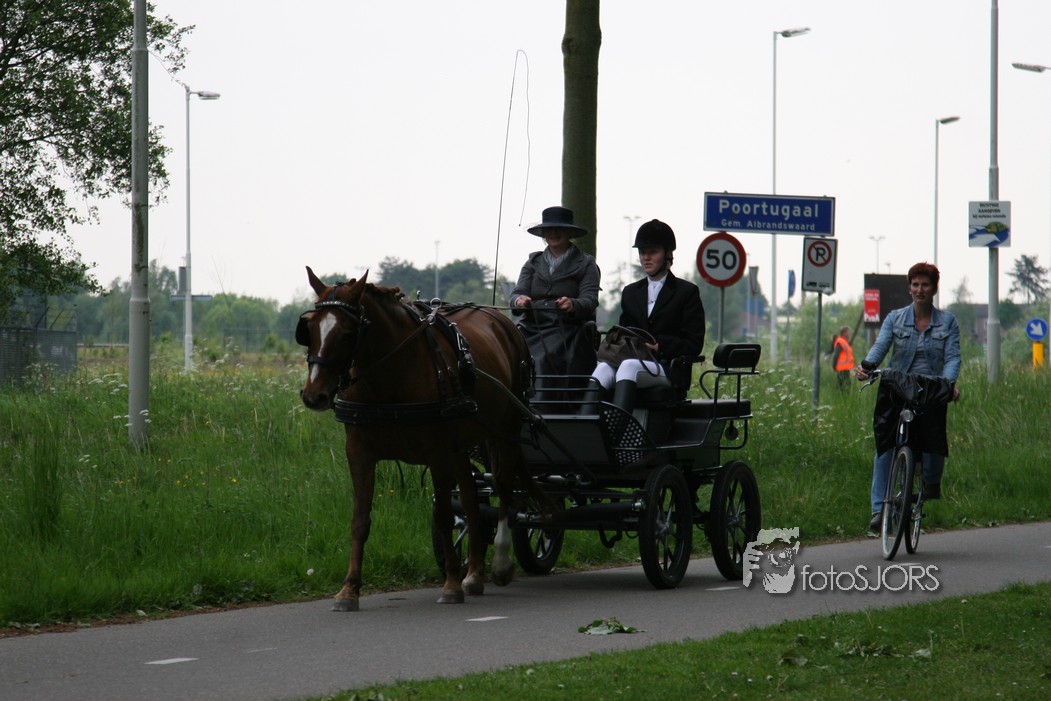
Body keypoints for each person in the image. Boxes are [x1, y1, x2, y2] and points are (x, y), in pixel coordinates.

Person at [854, 262, 961, 532]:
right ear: (909, 288)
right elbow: (881, 346)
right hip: (898, 385)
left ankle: (931, 481)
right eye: (915, 284)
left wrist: (948, 385)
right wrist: (867, 366)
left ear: (934, 289)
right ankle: (879, 510)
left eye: (925, 285)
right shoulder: (895, 318)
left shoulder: (947, 321)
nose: (919, 289)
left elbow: (952, 357)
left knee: (933, 442)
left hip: (930, 387)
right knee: (886, 445)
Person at [587, 219, 705, 412]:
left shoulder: (686, 292)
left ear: (668, 254)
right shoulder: (630, 292)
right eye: (642, 252)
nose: (646, 258)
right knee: (603, 369)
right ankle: (588, 425)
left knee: (628, 367)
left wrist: (660, 346)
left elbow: (694, 343)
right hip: (632, 360)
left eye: (653, 252)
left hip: (667, 368)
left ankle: (619, 426)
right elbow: (624, 330)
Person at [510, 206, 600, 378]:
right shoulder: (532, 262)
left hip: (566, 330)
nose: (553, 233)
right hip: (531, 327)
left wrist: (572, 304)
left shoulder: (586, 263)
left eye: (559, 229)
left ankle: (539, 395)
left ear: (569, 232)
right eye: (549, 229)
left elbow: (590, 299)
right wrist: (519, 300)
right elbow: (517, 293)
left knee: (539, 359)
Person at [831, 325, 854, 390]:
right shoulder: (840, 342)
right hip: (842, 369)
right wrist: (834, 366)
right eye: (848, 332)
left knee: (845, 387)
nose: (849, 333)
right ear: (844, 333)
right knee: (842, 387)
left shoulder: (845, 342)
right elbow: (836, 355)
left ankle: (840, 396)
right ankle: (838, 396)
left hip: (846, 369)